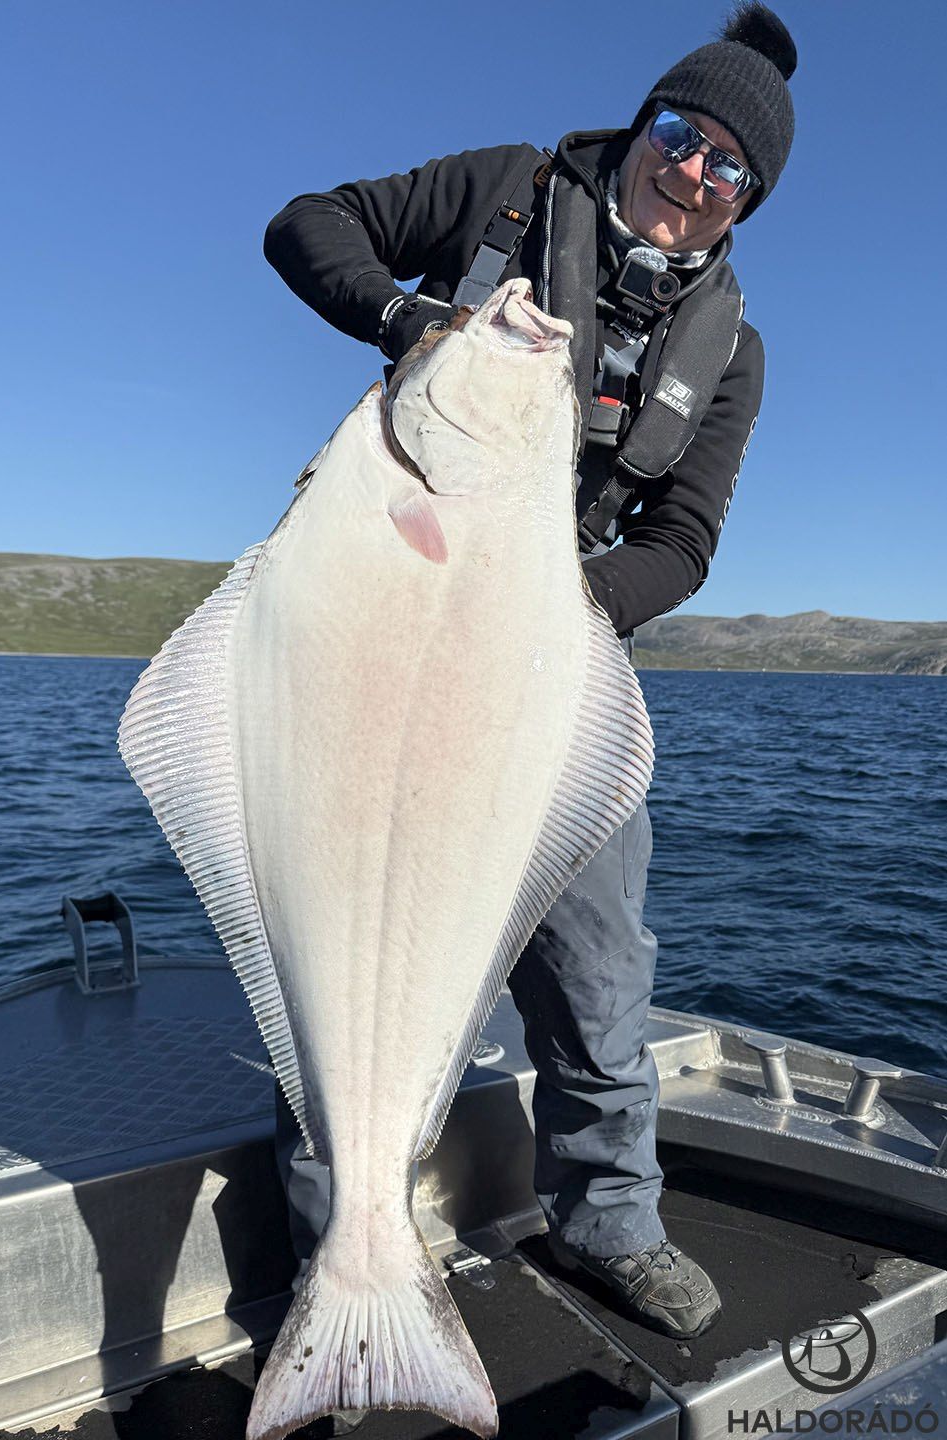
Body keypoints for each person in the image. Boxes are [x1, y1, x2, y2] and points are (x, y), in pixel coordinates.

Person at [264, 2, 797, 1343]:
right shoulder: (503, 190)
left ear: (743, 205)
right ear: (642, 128)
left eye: (729, 168)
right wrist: (404, 319)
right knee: (351, 939)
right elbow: (304, 224)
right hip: (388, 622)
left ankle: (608, 1218)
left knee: (600, 965)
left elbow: (680, 545)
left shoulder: (730, 347)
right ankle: (343, 1252)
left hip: (551, 660)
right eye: (681, 137)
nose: (692, 174)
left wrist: (560, 606)